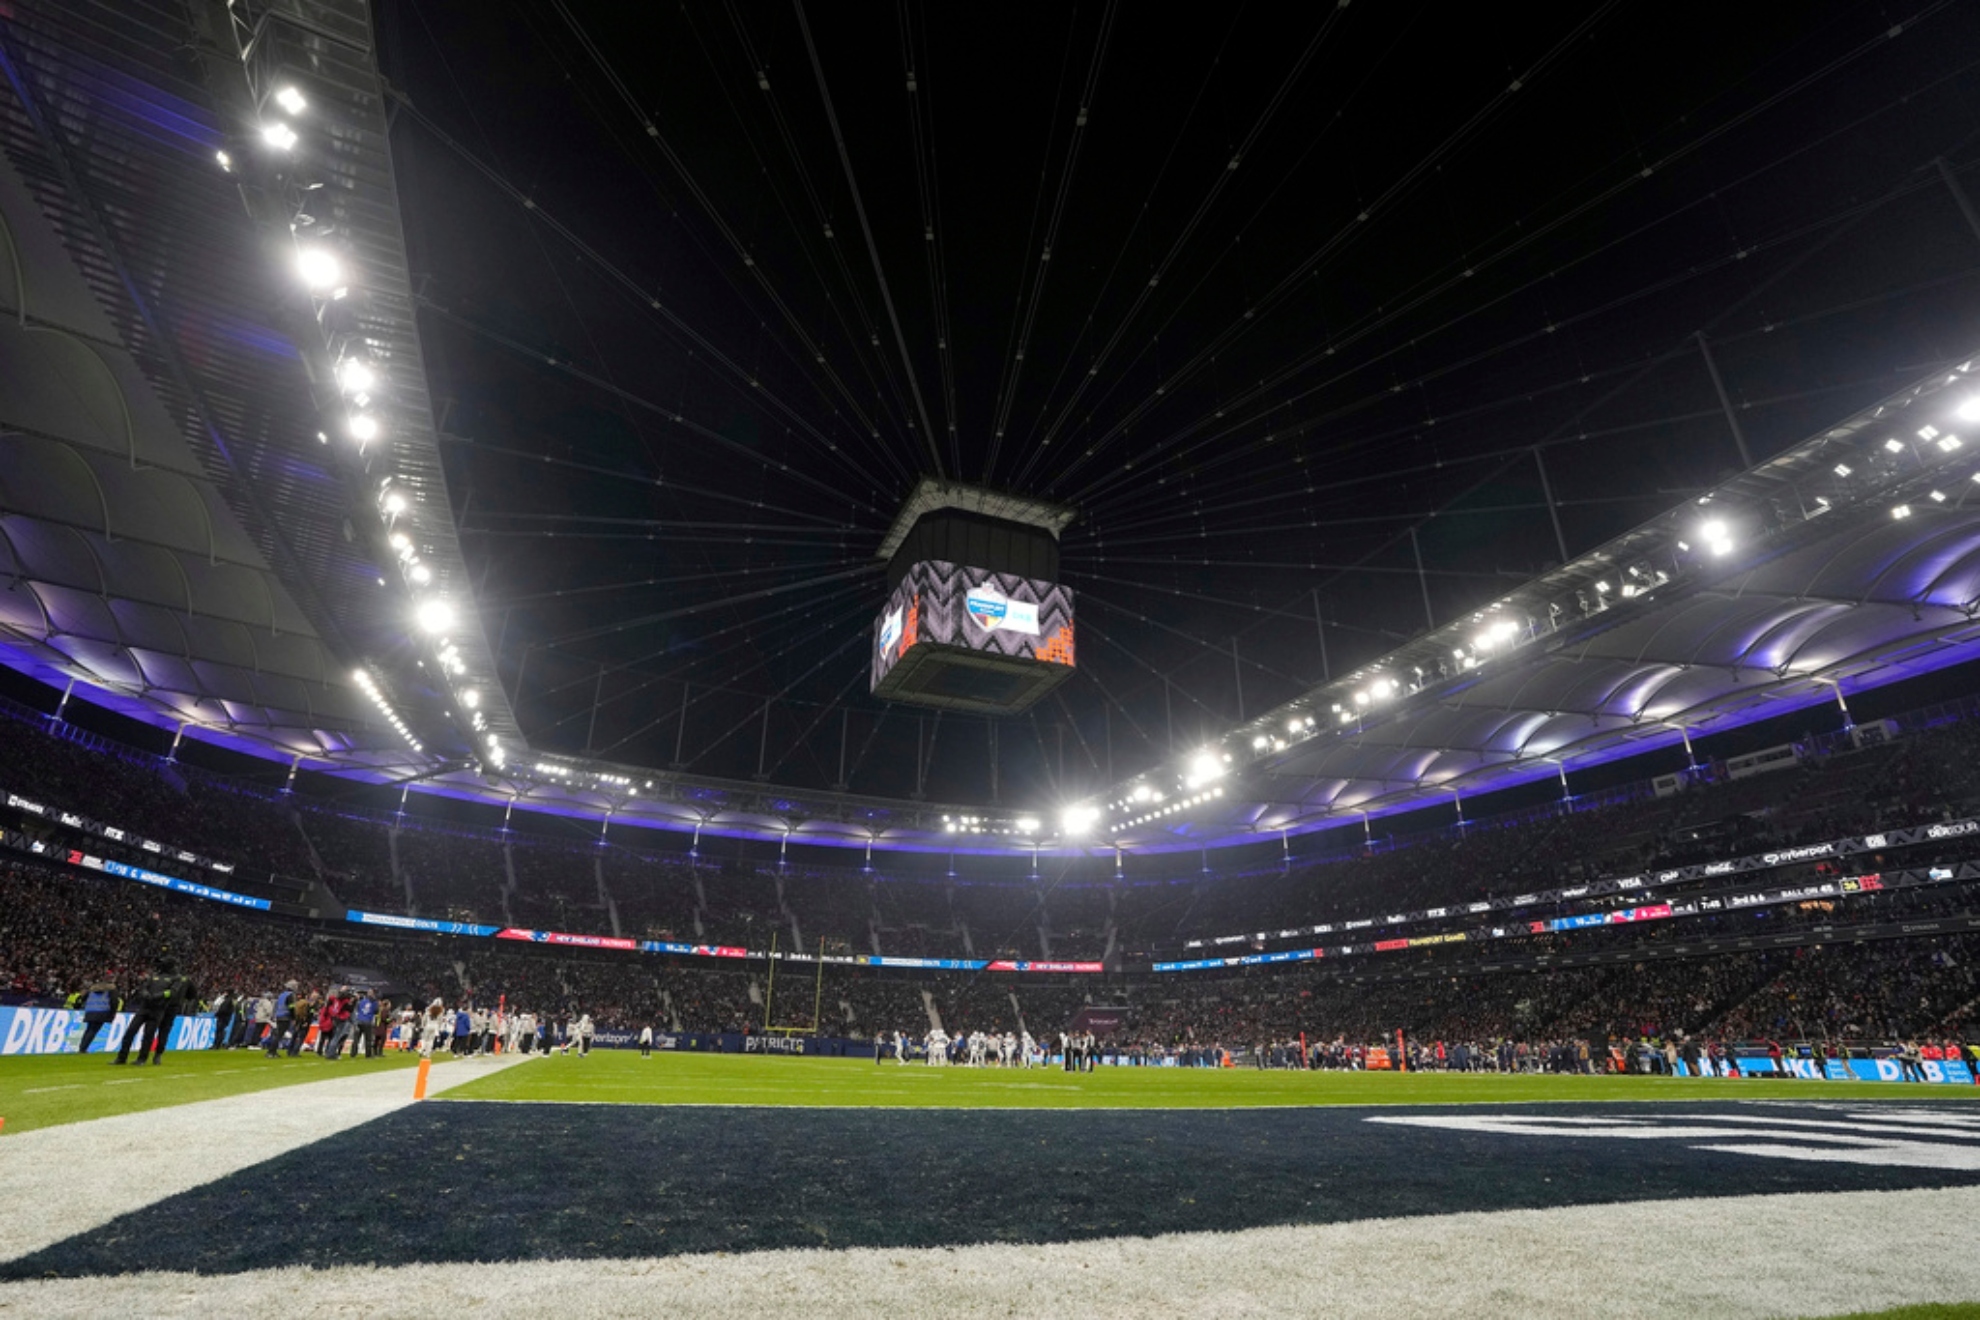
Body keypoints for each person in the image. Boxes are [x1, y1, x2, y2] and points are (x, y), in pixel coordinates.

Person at [114, 957, 194, 1066]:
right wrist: (145, 993)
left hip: (159, 1009)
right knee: (130, 1031)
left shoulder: (177, 978)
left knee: (149, 1035)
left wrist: (157, 996)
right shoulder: (155, 976)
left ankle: (144, 1059)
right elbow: (144, 987)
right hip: (145, 1007)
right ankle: (121, 1058)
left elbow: (173, 992)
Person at [75, 973, 121, 1056]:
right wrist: (113, 1013)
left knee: (89, 1029)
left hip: (90, 1011)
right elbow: (114, 1002)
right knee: (93, 1030)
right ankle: (83, 1049)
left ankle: (82, 1048)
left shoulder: (93, 988)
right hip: (102, 1012)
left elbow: (83, 998)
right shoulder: (112, 988)